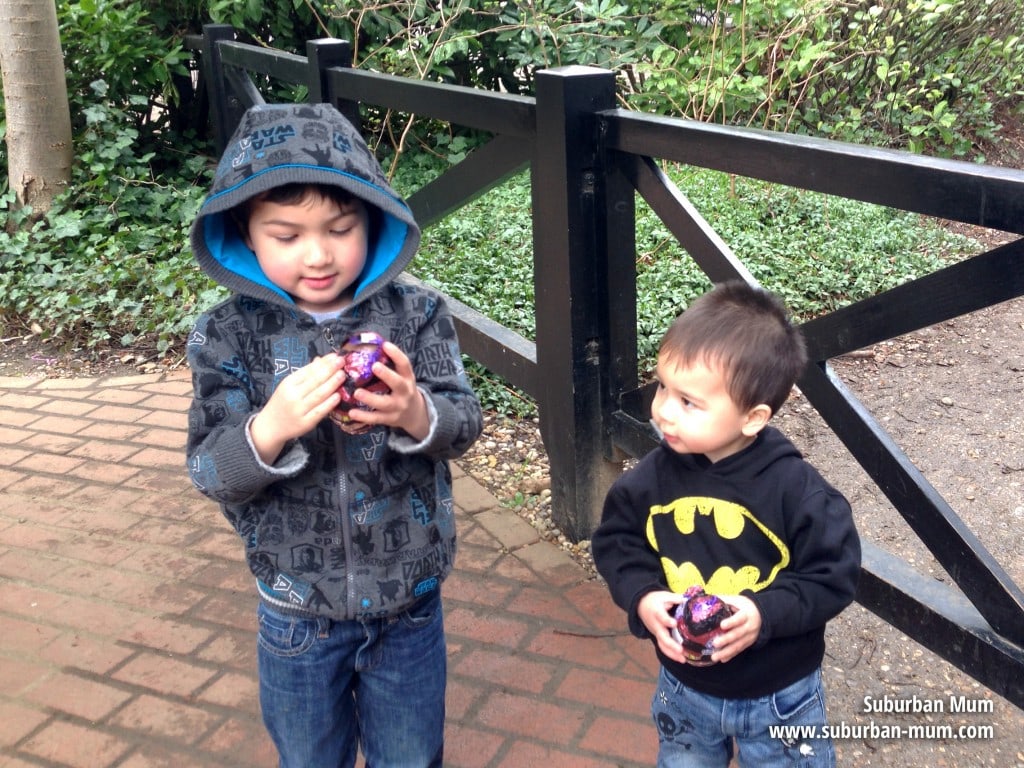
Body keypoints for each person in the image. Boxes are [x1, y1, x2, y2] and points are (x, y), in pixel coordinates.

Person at [184, 102, 483, 768]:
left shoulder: (418, 314)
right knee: (309, 756)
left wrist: (414, 413)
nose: (318, 254)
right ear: (245, 233)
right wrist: (270, 429)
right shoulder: (226, 335)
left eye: (340, 228)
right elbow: (209, 469)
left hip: (408, 604)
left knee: (410, 756)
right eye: (286, 235)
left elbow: (464, 423)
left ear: (373, 219)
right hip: (295, 609)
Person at [591, 281, 860, 767]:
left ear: (753, 418)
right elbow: (617, 541)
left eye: (689, 402)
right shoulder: (655, 477)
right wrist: (642, 596)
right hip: (684, 686)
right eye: (663, 387)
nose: (663, 411)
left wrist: (764, 614)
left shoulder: (796, 492)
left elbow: (833, 576)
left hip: (779, 697)